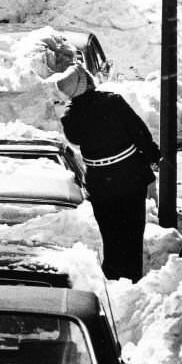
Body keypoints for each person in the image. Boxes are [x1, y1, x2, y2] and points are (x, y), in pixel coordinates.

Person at [52, 54, 160, 282]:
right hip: (130, 177)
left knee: (111, 237)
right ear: (87, 82)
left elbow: (76, 138)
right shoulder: (113, 102)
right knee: (132, 234)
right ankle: (132, 280)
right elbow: (138, 132)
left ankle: (112, 280)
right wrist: (153, 155)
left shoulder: (71, 118)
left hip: (101, 184)